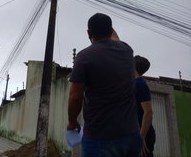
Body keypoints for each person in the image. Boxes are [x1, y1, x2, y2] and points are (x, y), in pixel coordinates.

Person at [67, 13, 142, 157]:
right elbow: (116, 39)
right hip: (132, 136)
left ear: (89, 33)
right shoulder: (127, 50)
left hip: (101, 140)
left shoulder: (84, 57)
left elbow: (76, 97)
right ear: (111, 30)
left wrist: (72, 122)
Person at [134, 55, 156, 157]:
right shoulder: (134, 83)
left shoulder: (140, 85)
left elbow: (148, 112)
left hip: (143, 136)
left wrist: (141, 138)